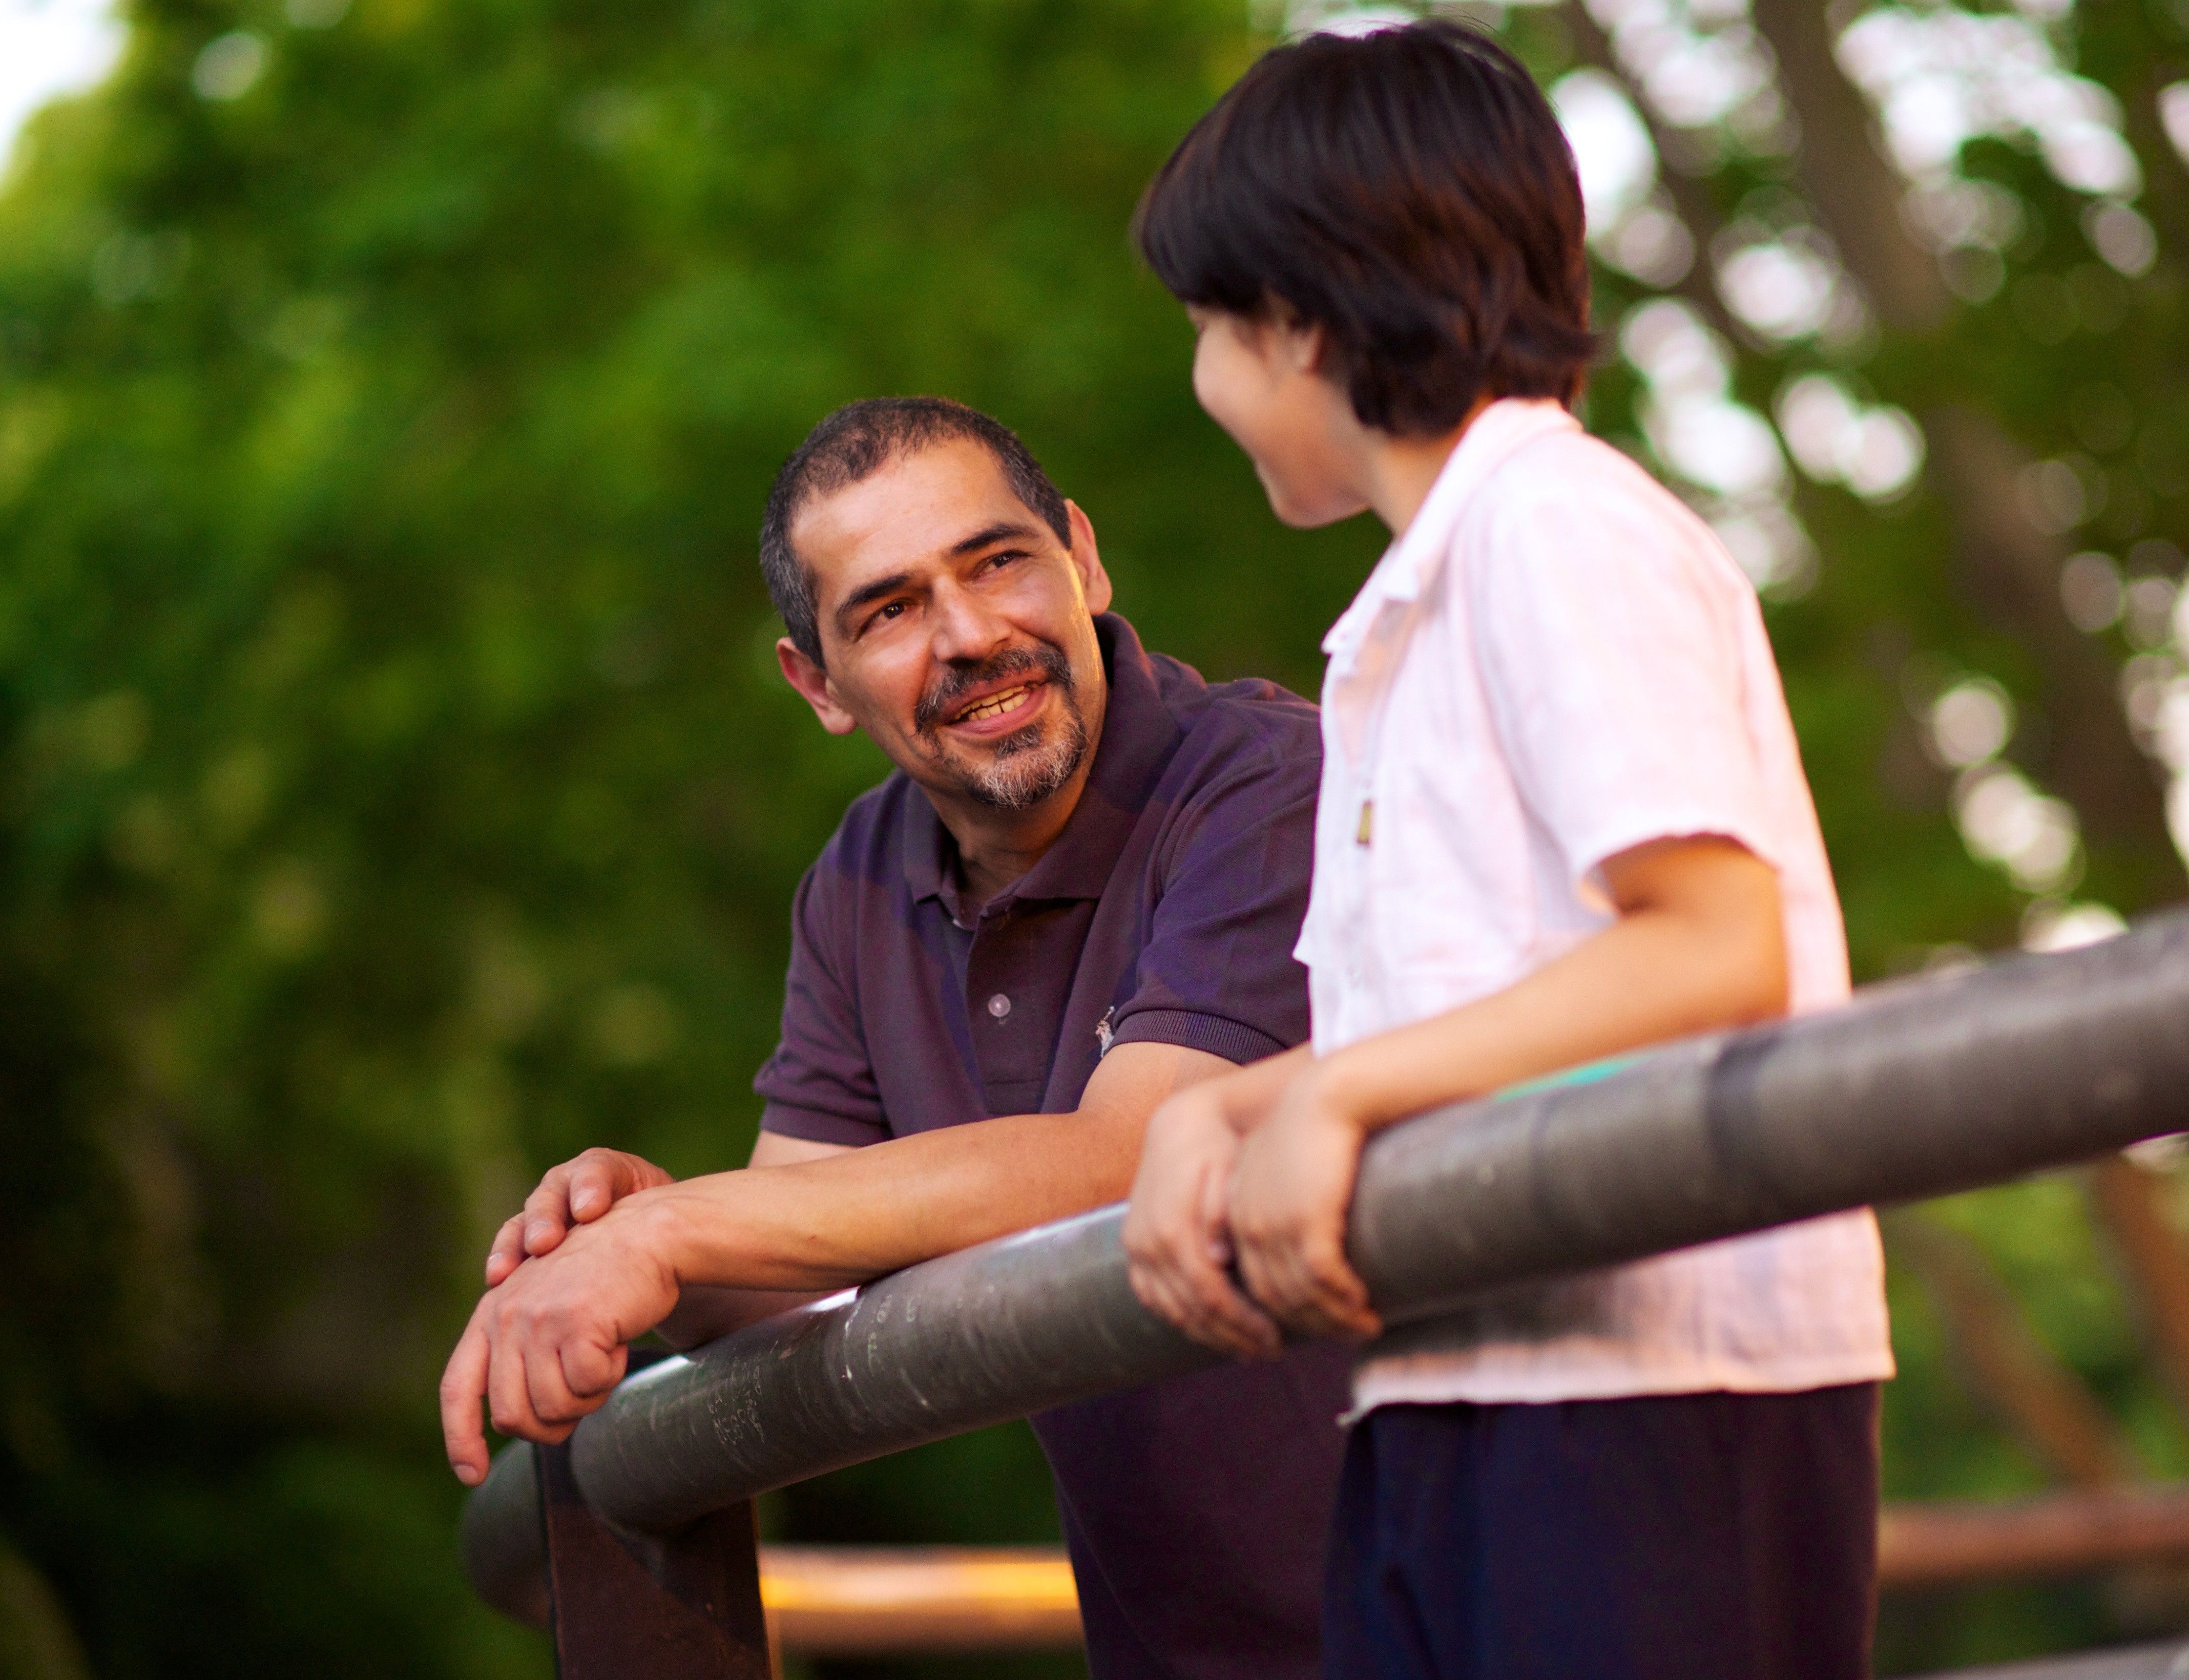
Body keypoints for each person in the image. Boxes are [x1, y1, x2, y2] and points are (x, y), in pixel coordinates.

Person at [1118, 23, 1893, 1680]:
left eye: (1204, 327)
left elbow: (1706, 943)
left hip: (1660, 1389)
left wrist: (1327, 1095)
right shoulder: (1403, 619)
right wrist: (1229, 1103)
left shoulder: (1557, 528)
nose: (1197, 381)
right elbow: (1477, 1014)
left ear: (1301, 322)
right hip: (1450, 1374)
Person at [439, 396, 1353, 1680]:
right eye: (890, 609)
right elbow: (792, 1258)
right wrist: (636, 1230)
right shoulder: (862, 873)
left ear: (1083, 558)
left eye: (998, 562)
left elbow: (1134, 1157)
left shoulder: (1270, 781)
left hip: (1471, 1606)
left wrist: (679, 1229)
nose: (974, 635)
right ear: (814, 681)